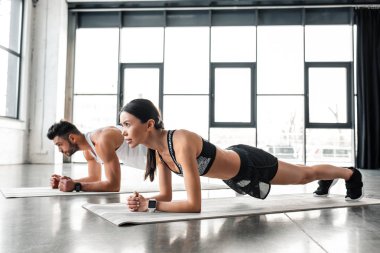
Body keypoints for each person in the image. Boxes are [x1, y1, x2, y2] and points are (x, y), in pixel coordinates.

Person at [120, 99, 364, 213]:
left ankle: (349, 173)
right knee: (301, 171)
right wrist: (143, 200)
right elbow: (167, 195)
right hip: (234, 173)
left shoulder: (180, 141)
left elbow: (194, 206)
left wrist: (150, 206)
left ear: (149, 124)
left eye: (128, 124)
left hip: (251, 164)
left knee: (303, 175)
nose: (124, 132)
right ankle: (328, 177)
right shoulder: (159, 153)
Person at [46, 120, 147, 192]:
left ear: (72, 138)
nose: (59, 150)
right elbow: (94, 178)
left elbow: (114, 186)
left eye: (60, 145)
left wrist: (76, 186)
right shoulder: (88, 150)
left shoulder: (102, 140)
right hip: (152, 164)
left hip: (159, 156)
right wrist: (66, 182)